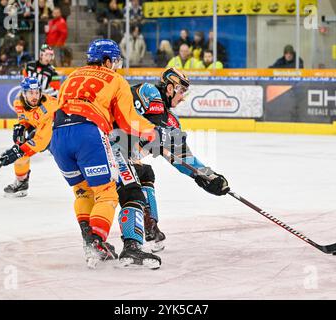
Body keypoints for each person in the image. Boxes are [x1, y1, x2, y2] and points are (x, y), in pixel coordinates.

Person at [50, 39, 174, 269]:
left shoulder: (71, 77)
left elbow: (57, 109)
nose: (116, 65)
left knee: (84, 192)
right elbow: (128, 121)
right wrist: (153, 132)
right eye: (114, 60)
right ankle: (97, 241)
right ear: (107, 61)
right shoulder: (116, 79)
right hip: (88, 134)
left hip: (57, 136)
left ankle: (90, 239)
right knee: (108, 194)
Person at [112, 67, 230, 253]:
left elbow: (183, 157)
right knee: (132, 183)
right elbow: (128, 117)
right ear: (169, 88)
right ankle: (129, 243)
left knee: (144, 173)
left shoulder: (172, 121)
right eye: (181, 90)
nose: (182, 97)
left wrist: (207, 176)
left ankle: (150, 226)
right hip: (107, 146)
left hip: (125, 158)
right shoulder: (147, 91)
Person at [0, 77, 59, 198]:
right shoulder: (18, 102)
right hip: (43, 129)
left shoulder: (47, 107)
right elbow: (25, 118)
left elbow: (41, 141)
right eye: (31, 93)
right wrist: (22, 126)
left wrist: (19, 150)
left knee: (72, 162)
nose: (35, 96)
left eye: (37, 92)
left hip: (59, 133)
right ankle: (21, 183)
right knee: (20, 151)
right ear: (24, 93)